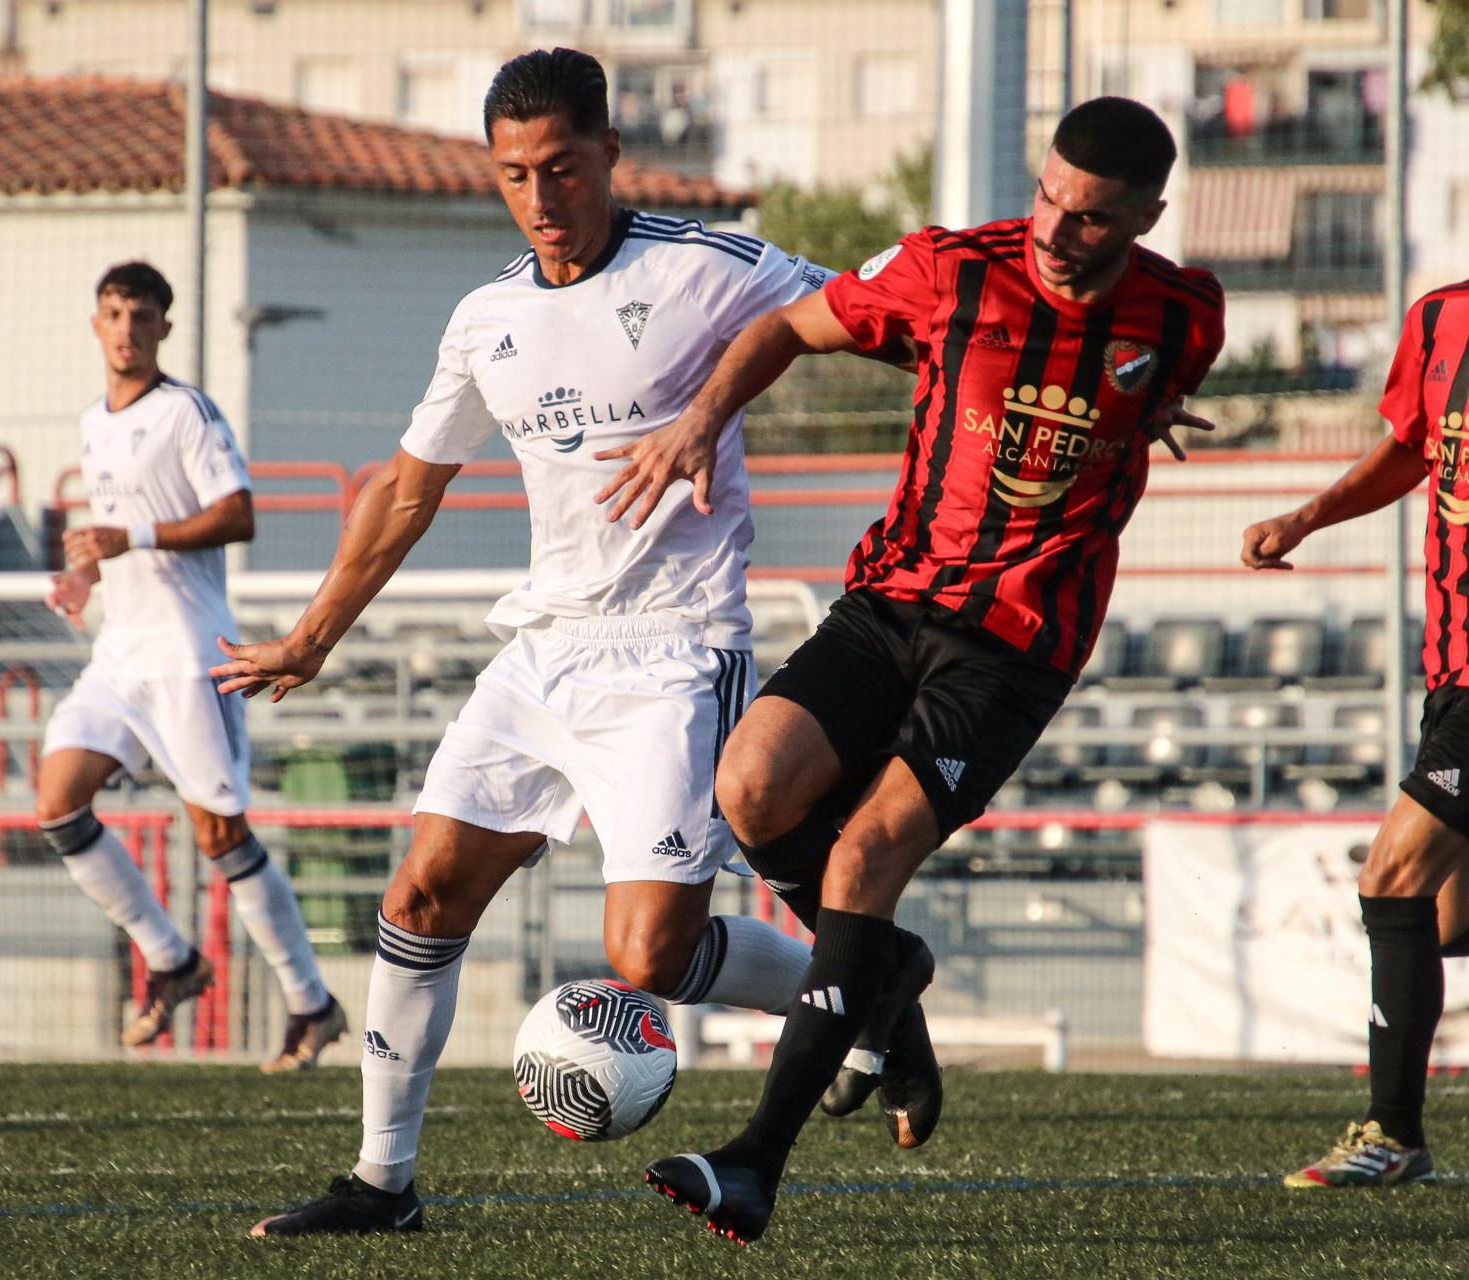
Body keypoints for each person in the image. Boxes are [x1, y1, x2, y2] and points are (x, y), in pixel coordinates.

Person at [212, 48, 884, 1238]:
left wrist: (1049, 376)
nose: (537, 194)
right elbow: (406, 491)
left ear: (608, 153)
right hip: (542, 652)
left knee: (647, 955)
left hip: (676, 652)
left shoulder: (706, 266)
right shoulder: (488, 320)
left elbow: (879, 312)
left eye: (559, 166)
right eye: (514, 173)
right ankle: (383, 1181)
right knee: (421, 889)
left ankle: (869, 983)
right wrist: (314, 633)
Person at [599, 96, 1226, 1244]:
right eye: (1046, 197)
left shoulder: (1186, 313)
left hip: (1014, 645)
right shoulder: (950, 271)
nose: (1054, 229)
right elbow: (789, 325)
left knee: (865, 851)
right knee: (750, 790)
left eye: (1089, 218)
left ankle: (753, 1160)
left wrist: (1145, 415)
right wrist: (699, 421)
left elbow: (1140, 386)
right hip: (889, 600)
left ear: (1145, 214)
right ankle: (887, 979)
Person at [38, 261, 345, 1073]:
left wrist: (128, 540)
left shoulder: (186, 413)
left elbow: (238, 514)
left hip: (186, 656)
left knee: (220, 835)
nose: (127, 328)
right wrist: (84, 575)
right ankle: (172, 960)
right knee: (58, 802)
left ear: (165, 328)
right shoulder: (93, 422)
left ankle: (312, 1002)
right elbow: (114, 533)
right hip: (120, 656)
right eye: (113, 313)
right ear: (95, 324)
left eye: (142, 315)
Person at [1243, 276, 1469, 1189]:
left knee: (1395, 876)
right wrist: (1308, 516)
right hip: (1451, 666)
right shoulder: (1442, 316)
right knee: (1446, 920)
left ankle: (1394, 1134)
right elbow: (1414, 449)